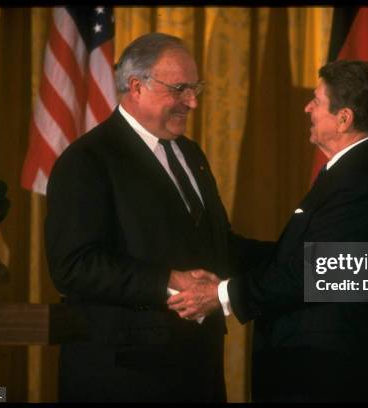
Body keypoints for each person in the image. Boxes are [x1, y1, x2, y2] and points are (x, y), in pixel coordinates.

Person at [45, 33, 270, 402]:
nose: (193, 102)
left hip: (197, 369)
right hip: (124, 376)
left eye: (195, 88)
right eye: (180, 89)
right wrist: (168, 280)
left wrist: (296, 254)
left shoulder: (191, 153)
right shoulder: (87, 160)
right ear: (136, 87)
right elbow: (74, 265)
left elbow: (218, 245)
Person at [168, 60, 368, 402]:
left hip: (322, 376)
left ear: (344, 118)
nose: (307, 107)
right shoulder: (351, 172)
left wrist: (221, 294)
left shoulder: (361, 182)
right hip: (312, 369)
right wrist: (219, 249)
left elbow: (309, 274)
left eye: (317, 101)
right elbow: (293, 258)